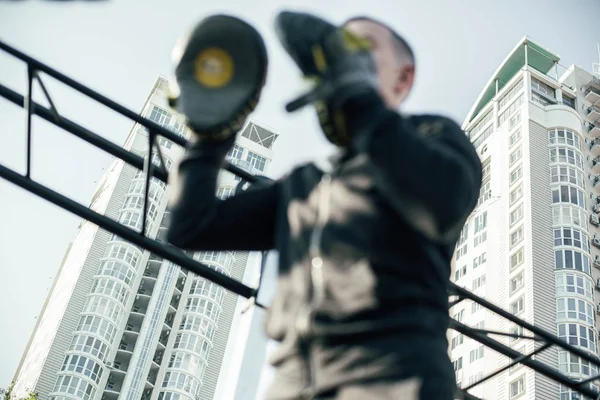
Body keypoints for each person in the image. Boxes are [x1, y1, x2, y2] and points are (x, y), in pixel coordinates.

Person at [167, 11, 482, 400]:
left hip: (394, 377)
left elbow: (442, 203)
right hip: (291, 383)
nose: (337, 59)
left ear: (404, 78)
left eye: (357, 50)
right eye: (334, 50)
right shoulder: (303, 183)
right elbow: (193, 226)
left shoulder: (433, 135)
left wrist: (357, 96)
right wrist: (209, 135)